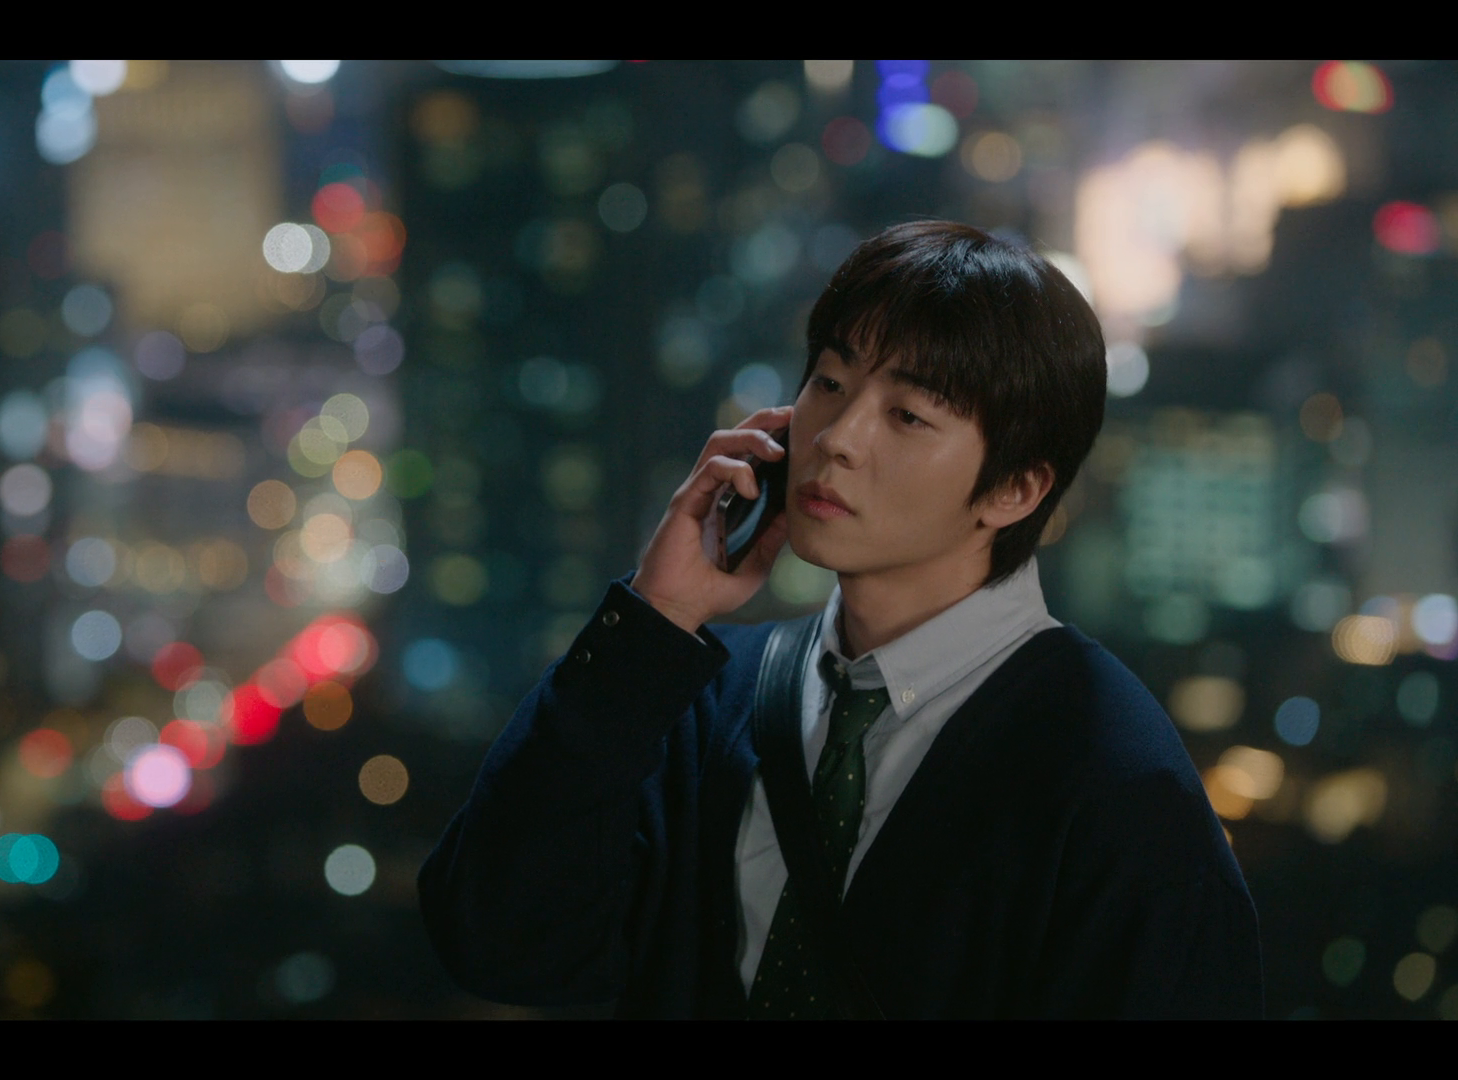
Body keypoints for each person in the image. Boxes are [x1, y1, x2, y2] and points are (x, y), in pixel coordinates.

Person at [417, 221, 1263, 1019]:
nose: (838, 438)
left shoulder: (1115, 781)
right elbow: (499, 944)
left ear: (1015, 489)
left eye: (909, 415)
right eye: (830, 383)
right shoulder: (711, 699)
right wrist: (656, 617)